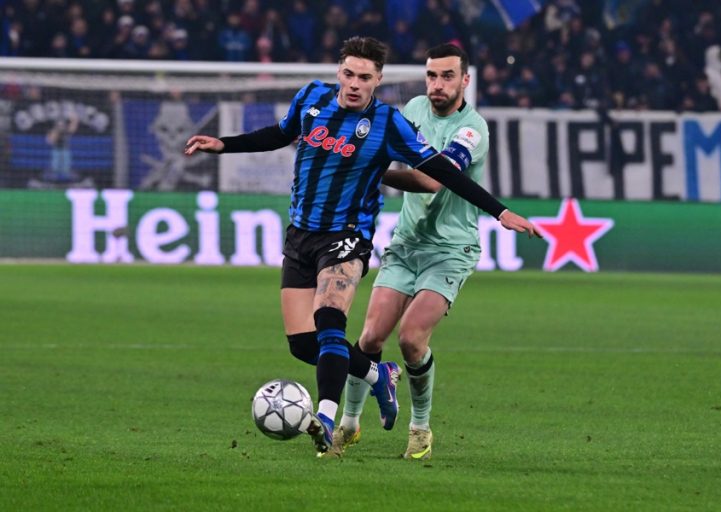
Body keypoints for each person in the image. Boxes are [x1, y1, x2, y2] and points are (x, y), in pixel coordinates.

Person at [184, 36, 540, 457]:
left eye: (365, 77)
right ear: (339, 72)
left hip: (348, 235)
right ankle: (377, 375)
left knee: (333, 321)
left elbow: (441, 173)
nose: (354, 84)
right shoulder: (312, 99)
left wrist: (498, 212)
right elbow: (279, 134)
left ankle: (329, 421)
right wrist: (224, 144)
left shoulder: (389, 123)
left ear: (379, 80)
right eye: (349, 74)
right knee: (304, 345)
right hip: (301, 234)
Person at [333, 43, 505, 460]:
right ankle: (349, 425)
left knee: (411, 339)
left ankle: (420, 428)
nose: (437, 84)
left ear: (465, 80)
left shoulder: (472, 129)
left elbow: (431, 181)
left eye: (448, 76)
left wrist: (370, 170)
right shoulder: (411, 110)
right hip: (407, 243)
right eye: (431, 75)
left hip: (450, 249)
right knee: (370, 337)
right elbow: (373, 140)